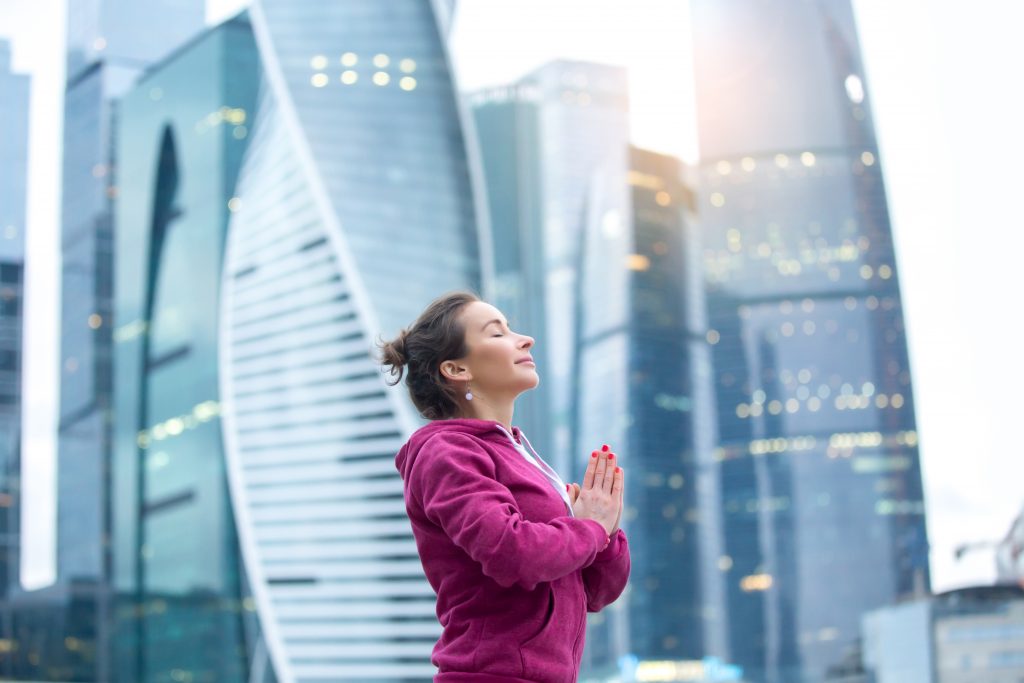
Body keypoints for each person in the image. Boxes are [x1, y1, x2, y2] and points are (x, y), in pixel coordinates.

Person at [376, 290, 630, 683]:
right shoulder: (447, 451)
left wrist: (606, 532)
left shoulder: (522, 458)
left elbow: (594, 593)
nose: (524, 339)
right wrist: (589, 528)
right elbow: (510, 553)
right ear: (457, 370)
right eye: (497, 334)